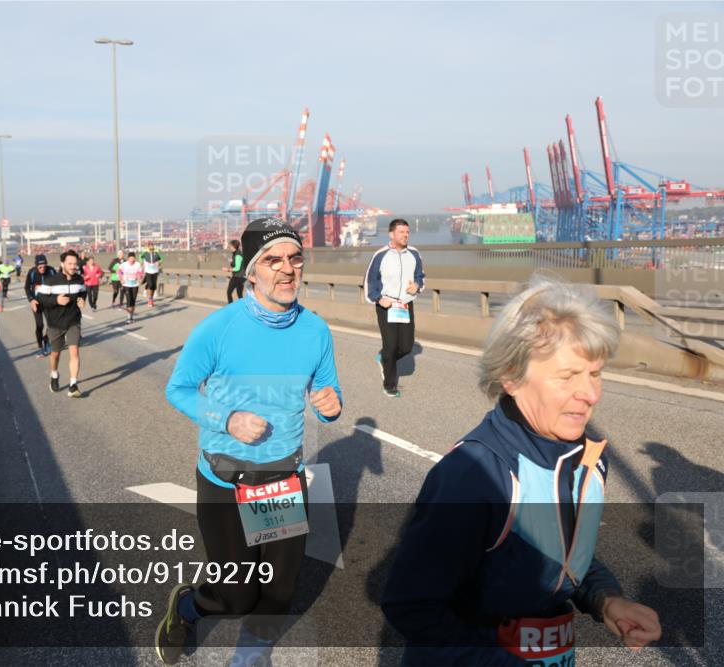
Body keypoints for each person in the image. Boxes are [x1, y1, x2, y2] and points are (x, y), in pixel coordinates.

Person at [382, 276, 661, 666]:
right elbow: (410, 605)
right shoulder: (473, 475)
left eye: (595, 373)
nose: (591, 394)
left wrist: (606, 599)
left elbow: (557, 556)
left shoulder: (589, 458)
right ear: (511, 376)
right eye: (568, 376)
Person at [159, 218, 343, 666]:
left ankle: (247, 657)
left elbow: (327, 396)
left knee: (279, 592)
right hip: (226, 480)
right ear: (251, 270)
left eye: (295, 258)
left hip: (281, 480)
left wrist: (330, 405)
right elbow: (178, 389)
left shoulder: (315, 330)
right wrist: (228, 418)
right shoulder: (218, 328)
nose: (287, 269)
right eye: (272, 259)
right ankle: (186, 606)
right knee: (236, 595)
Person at [365, 218, 425, 398]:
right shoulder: (381, 255)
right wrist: (378, 298)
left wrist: (417, 285)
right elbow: (370, 281)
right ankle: (389, 385)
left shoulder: (414, 254)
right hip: (387, 305)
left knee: (406, 347)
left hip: (406, 304)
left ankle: (384, 358)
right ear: (391, 234)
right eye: (401, 232)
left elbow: (420, 276)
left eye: (407, 232)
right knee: (390, 346)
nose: (405, 235)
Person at [33, 250, 86, 398]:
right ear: (62, 264)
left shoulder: (79, 280)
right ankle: (54, 374)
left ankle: (73, 385)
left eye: (75, 264)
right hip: (55, 323)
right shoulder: (51, 281)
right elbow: (41, 299)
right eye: (70, 263)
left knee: (74, 351)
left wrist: (82, 300)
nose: (73, 266)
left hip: (73, 321)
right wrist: (56, 301)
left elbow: (83, 292)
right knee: (55, 354)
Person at [25, 254, 58, 358]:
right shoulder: (32, 272)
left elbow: (58, 285)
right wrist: (31, 300)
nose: (42, 269)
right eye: (40, 267)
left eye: (44, 266)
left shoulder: (51, 271)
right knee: (40, 325)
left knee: (53, 324)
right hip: (37, 302)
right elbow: (27, 287)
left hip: (49, 301)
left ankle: (46, 339)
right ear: (36, 266)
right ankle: (40, 347)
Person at [117, 252, 144, 324]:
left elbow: (140, 272)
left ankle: (132, 316)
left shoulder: (137, 264)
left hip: (135, 285)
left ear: (134, 258)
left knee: (133, 301)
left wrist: (139, 277)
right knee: (129, 301)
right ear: (128, 258)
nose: (132, 259)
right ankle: (129, 317)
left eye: (133, 258)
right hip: (126, 285)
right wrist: (121, 279)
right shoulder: (124, 264)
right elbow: (119, 271)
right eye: (130, 258)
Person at [141, 241, 163, 307]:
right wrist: (142, 262)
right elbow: (140, 257)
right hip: (148, 271)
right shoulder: (145, 253)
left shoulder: (156, 253)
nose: (151, 246)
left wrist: (160, 262)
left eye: (152, 245)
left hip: (155, 271)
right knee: (150, 284)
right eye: (150, 245)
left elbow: (161, 258)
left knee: (153, 285)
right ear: (148, 246)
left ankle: (151, 299)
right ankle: (150, 298)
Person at [224, 239, 245, 303]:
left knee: (229, 292)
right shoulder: (236, 253)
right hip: (240, 277)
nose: (229, 247)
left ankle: (231, 307)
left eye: (230, 246)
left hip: (238, 277)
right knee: (240, 295)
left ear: (233, 246)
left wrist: (227, 270)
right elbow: (237, 264)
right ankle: (243, 308)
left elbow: (237, 268)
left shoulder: (238, 255)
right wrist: (232, 262)